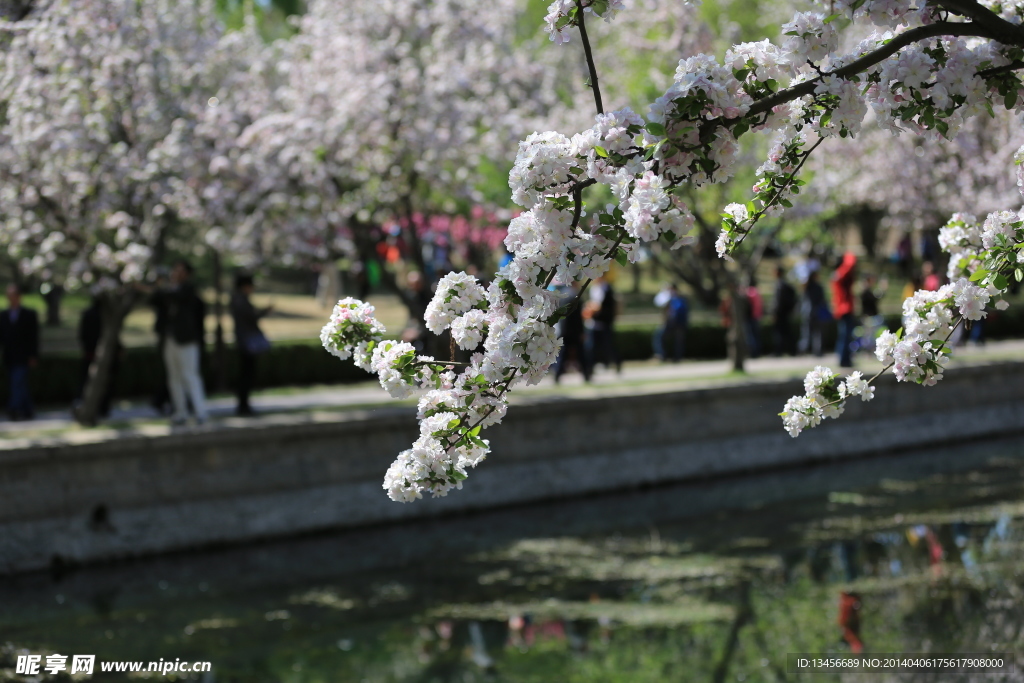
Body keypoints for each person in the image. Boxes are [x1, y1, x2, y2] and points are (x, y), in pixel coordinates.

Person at [153, 260, 208, 425]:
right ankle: (180, 411)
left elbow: (178, 297)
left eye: (180, 271)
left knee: (190, 375)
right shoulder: (167, 292)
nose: (176, 274)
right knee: (174, 376)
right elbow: (155, 300)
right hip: (169, 339)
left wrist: (160, 288)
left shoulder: (188, 291)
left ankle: (200, 412)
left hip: (186, 340)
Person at [230, 273, 273, 416]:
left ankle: (244, 405)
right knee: (246, 375)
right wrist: (265, 311)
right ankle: (243, 406)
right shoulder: (240, 300)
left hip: (243, 341)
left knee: (246, 374)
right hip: (246, 343)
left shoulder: (238, 299)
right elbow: (251, 316)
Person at [0, 284, 39, 420]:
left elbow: (33, 337)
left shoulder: (29, 314)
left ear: (19, 297)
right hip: (10, 356)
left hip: (24, 356)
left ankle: (13, 409)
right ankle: (28, 409)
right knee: (19, 384)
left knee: (17, 382)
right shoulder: (3, 315)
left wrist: (33, 355)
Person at [78, 295, 119, 418]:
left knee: (88, 381)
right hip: (97, 352)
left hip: (91, 352)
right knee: (102, 382)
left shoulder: (99, 314)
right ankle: (100, 408)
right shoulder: (107, 314)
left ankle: (95, 406)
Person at [554, 284, 591, 383]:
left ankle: (557, 375)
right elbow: (579, 319)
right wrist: (582, 332)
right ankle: (586, 375)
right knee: (581, 354)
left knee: (562, 355)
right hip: (575, 331)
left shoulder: (562, 296)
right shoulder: (575, 297)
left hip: (564, 330)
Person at [586, 277, 621, 373]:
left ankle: (615, 364)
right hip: (593, 323)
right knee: (591, 347)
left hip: (605, 322)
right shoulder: (594, 288)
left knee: (609, 346)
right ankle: (590, 368)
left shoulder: (608, 289)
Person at [832, 252, 858, 368]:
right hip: (845, 308)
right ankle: (844, 360)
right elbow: (850, 263)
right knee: (845, 335)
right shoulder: (840, 274)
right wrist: (848, 254)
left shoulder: (836, 275)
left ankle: (845, 359)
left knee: (845, 335)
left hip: (842, 308)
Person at [653, 284, 688, 362]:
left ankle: (666, 356)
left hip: (676, 323)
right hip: (677, 324)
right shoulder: (675, 299)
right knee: (675, 341)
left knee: (676, 341)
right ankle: (668, 356)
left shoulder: (676, 300)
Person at [799, 270, 827, 357]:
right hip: (816, 312)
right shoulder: (818, 287)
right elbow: (822, 300)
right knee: (817, 333)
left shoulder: (806, 287)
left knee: (806, 332)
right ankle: (817, 350)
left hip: (807, 312)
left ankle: (803, 349)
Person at [771, 265, 797, 356]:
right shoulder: (783, 284)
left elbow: (779, 301)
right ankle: (791, 350)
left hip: (781, 313)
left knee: (781, 332)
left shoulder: (780, 285)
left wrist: (775, 312)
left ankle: (780, 351)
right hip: (785, 313)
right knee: (786, 332)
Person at [744, 275, 763, 359]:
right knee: (756, 335)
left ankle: (753, 352)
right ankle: (758, 351)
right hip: (756, 316)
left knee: (750, 336)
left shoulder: (749, 292)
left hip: (750, 316)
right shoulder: (757, 292)